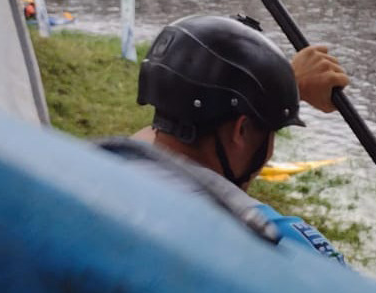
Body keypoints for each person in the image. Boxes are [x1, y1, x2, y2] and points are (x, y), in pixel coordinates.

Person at [101, 14, 351, 261]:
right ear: (241, 131)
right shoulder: (279, 238)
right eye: (272, 130)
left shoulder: (107, 169)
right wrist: (280, 90)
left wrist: (285, 86)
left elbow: (151, 141)